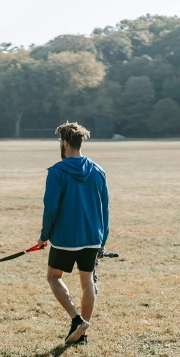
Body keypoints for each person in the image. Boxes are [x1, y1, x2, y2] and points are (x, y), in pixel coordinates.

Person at [37, 122, 109, 345]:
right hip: (91, 238)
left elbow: (51, 208)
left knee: (53, 277)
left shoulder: (57, 171)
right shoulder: (98, 171)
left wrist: (43, 236)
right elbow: (104, 209)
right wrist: (102, 242)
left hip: (65, 239)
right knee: (87, 283)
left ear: (65, 142)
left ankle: (77, 320)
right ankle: (82, 336)